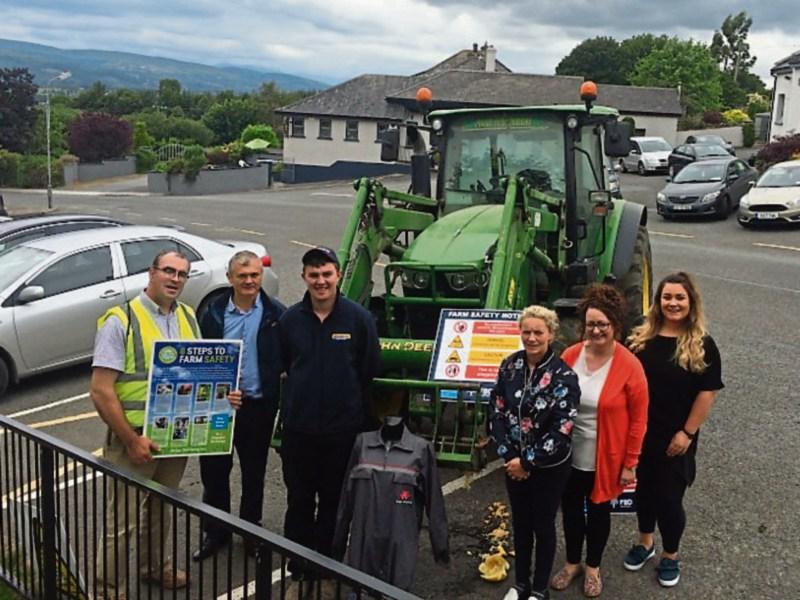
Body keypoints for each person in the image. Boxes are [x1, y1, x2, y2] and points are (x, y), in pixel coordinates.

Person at [90, 250, 200, 594]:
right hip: (132, 439)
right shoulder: (120, 320)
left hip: (174, 435)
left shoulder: (188, 316)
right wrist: (130, 439)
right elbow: (101, 390)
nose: (175, 279)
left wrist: (224, 398)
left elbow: (198, 376)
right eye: (168, 271)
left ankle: (154, 568)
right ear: (150, 273)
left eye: (182, 274)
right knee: (121, 522)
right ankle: (108, 589)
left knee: (159, 508)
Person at [278, 245, 380, 596]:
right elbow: (285, 366)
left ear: (337, 274)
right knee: (300, 499)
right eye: (313, 274)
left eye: (326, 274)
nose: (320, 281)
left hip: (342, 431)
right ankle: (299, 565)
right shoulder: (290, 320)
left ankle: (328, 564)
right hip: (299, 430)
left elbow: (368, 369)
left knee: (335, 501)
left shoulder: (358, 319)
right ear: (304, 277)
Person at [623, 272, 723, 587]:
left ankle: (670, 554)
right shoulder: (640, 337)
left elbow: (708, 392)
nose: (673, 303)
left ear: (690, 302)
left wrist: (687, 433)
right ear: (658, 301)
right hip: (641, 433)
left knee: (668, 497)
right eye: (667, 297)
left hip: (676, 436)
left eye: (680, 297)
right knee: (643, 492)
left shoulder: (702, 344)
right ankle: (645, 543)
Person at [551, 285, 649, 597]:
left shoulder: (629, 365)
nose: (596, 330)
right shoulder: (570, 355)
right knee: (569, 509)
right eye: (591, 324)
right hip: (568, 454)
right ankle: (571, 563)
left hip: (606, 456)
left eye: (602, 324)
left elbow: (638, 420)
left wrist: (631, 462)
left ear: (615, 326)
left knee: (598, 512)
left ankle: (593, 567)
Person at [193, 250, 285, 561]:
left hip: (258, 408)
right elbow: (199, 361)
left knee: (254, 474)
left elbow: (288, 360)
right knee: (214, 472)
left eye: (254, 275)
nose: (249, 281)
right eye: (242, 276)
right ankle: (215, 532)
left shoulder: (277, 315)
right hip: (218, 407)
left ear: (260, 277)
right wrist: (218, 392)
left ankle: (251, 533)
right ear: (230, 278)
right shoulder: (212, 313)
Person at [489, 305, 580, 600]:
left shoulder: (563, 376)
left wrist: (528, 461)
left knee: (543, 525)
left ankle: (539, 589)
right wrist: (508, 456)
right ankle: (520, 584)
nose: (531, 338)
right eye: (526, 331)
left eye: (538, 332)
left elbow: (562, 427)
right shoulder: (510, 366)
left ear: (551, 334)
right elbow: (497, 410)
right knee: (521, 524)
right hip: (514, 462)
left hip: (549, 466)